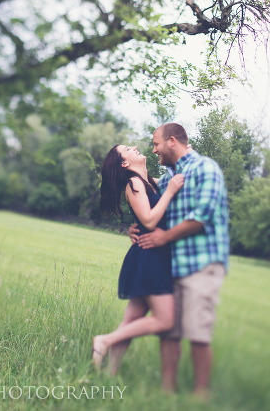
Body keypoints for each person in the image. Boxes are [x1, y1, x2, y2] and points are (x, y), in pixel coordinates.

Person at [132, 122, 229, 398]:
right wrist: (137, 228)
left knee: (198, 331)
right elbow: (154, 216)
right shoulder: (166, 181)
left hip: (202, 263)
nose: (154, 150)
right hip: (171, 266)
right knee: (170, 331)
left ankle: (200, 395)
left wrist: (164, 238)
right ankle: (167, 392)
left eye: (156, 144)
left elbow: (202, 217)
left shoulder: (206, 168)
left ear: (172, 141)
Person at [93, 144, 185, 373]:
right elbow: (150, 221)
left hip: (152, 254)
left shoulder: (150, 181)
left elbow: (147, 215)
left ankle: (109, 372)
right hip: (148, 257)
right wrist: (171, 192)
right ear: (124, 163)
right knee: (165, 320)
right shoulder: (133, 183)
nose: (134, 147)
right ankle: (104, 340)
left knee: (131, 321)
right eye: (127, 148)